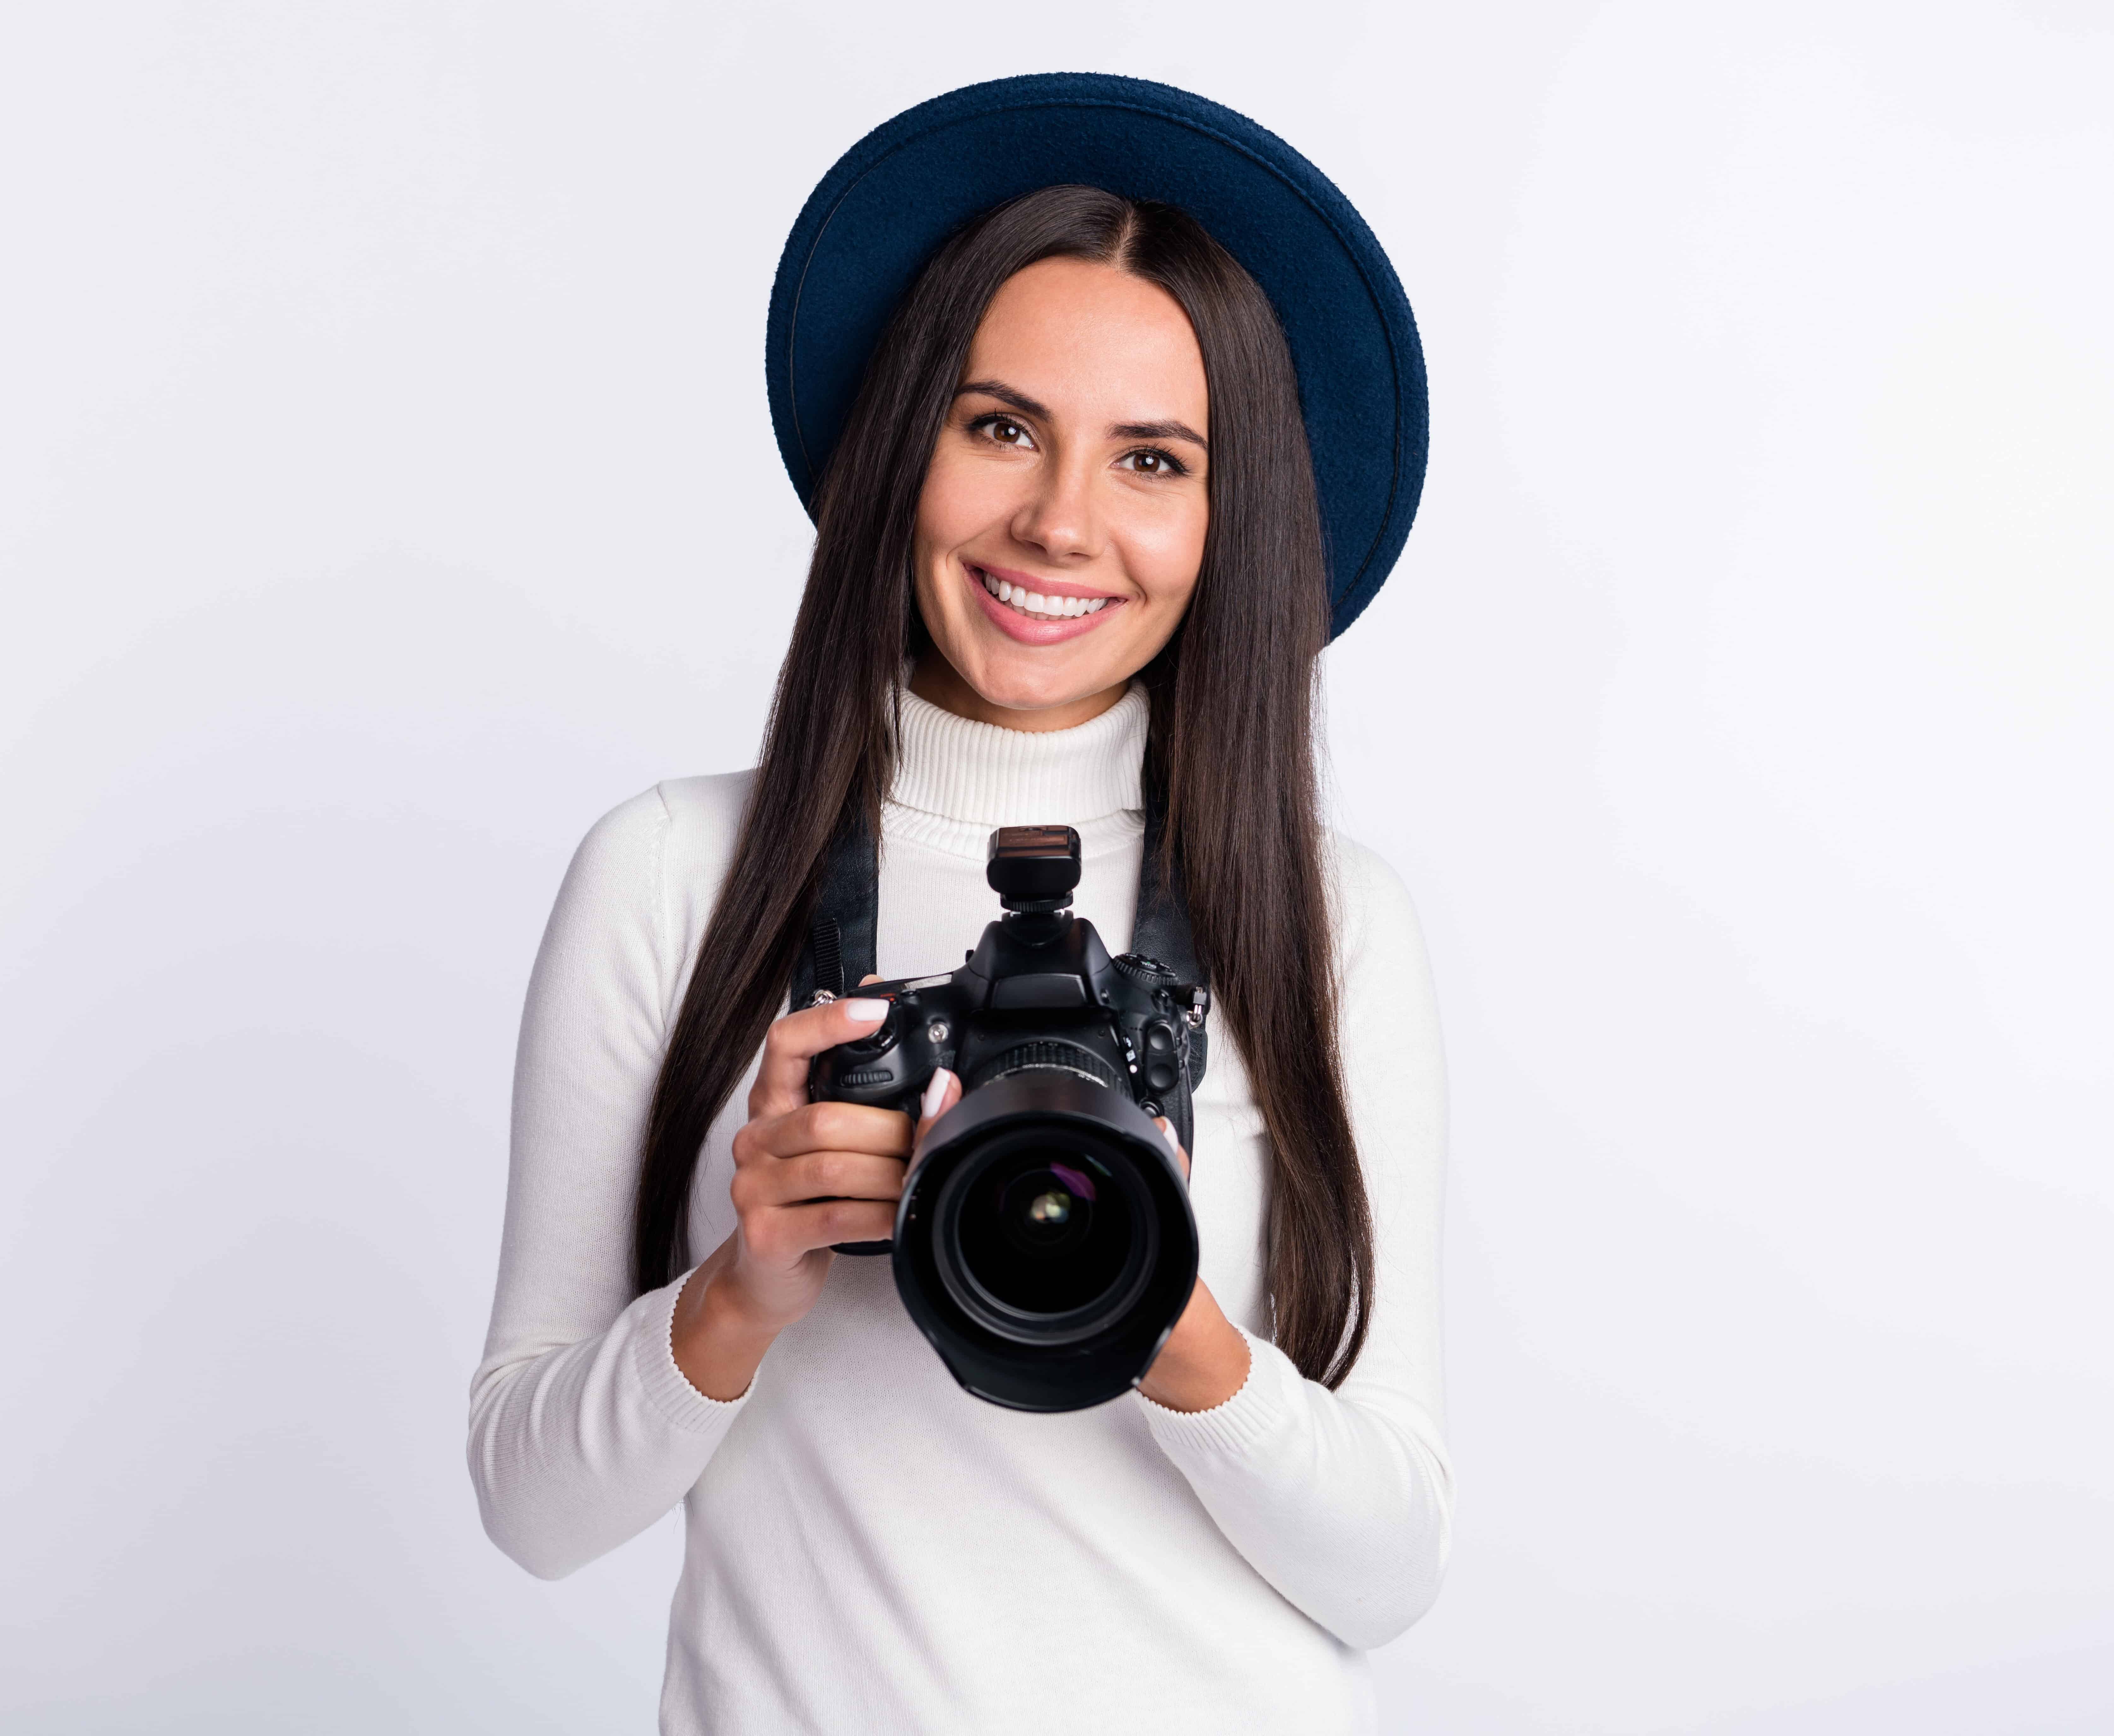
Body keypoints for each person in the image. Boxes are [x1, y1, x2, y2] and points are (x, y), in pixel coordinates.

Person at [469, 74, 1450, 1736]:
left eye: (1153, 458)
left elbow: (1394, 1567)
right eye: (999, 426)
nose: (1061, 522)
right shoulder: (668, 875)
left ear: (1231, 523)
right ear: (898, 444)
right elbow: (531, 1507)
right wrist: (743, 1283)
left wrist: (1173, 1321)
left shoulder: (1327, 920)